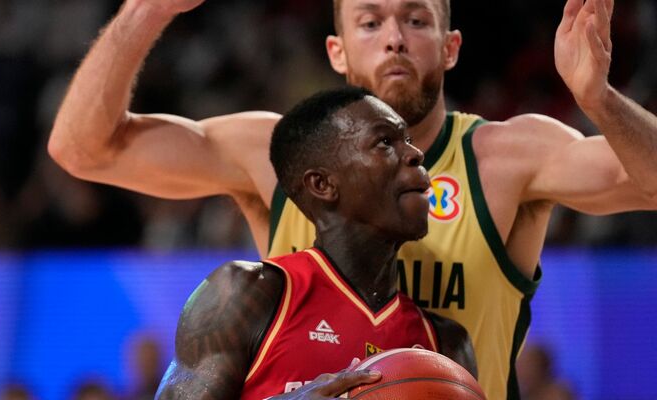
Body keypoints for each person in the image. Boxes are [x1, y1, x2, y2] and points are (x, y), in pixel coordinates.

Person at [47, 0, 657, 398]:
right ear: (337, 51)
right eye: (370, 22)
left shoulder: (508, 155)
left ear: (450, 46)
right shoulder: (280, 152)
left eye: (417, 20)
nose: (394, 39)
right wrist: (145, 12)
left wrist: (598, 98)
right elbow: (84, 150)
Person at [155, 87, 477, 399]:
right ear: (323, 185)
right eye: (384, 142)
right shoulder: (245, 294)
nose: (415, 153)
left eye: (407, 140)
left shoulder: (445, 345)